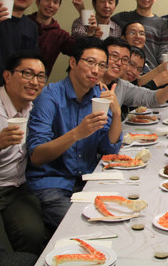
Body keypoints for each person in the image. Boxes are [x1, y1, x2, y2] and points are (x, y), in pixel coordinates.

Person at [26, 37, 122, 229]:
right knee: (81, 228)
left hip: (88, 180)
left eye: (102, 65)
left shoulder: (98, 97)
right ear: (73, 62)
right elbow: (36, 155)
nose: (96, 71)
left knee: (122, 215)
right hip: (53, 183)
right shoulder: (49, 97)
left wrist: (117, 114)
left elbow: (108, 149)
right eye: (90, 62)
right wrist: (77, 133)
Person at [0, 51, 46, 254]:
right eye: (27, 74)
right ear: (7, 76)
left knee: (34, 235)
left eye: (40, 76)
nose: (34, 82)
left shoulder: (32, 106)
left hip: (15, 189)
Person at [100, 37, 168, 116]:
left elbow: (151, 97)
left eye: (124, 60)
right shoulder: (92, 83)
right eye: (114, 56)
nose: (119, 63)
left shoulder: (121, 85)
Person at [111, 0, 168, 69]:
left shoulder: (161, 24)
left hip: (151, 71)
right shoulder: (122, 18)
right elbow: (105, 20)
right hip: (125, 69)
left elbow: (163, 53)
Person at [28, 0, 76, 76]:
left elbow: (79, 50)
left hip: (39, 81)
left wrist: (82, 13)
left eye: (55, 2)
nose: (50, 5)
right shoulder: (24, 23)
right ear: (37, 1)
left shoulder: (59, 35)